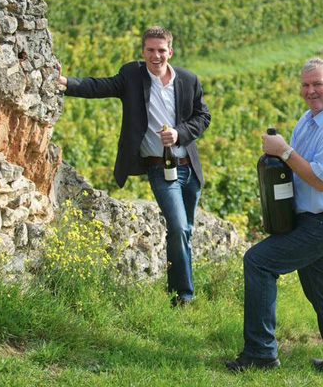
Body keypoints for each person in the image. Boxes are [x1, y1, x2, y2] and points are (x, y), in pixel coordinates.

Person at [225, 57, 323, 376]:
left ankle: (260, 353)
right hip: (311, 220)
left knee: (258, 261)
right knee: (322, 291)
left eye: (317, 84)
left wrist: (283, 151)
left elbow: (321, 179)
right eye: (305, 85)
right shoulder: (307, 119)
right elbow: (293, 170)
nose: (310, 90)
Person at [56, 26, 211, 307]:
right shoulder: (131, 75)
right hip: (159, 168)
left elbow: (203, 116)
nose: (156, 55)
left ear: (170, 52)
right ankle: (184, 296)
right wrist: (65, 82)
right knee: (177, 227)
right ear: (143, 52)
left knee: (185, 230)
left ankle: (177, 290)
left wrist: (179, 133)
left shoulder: (188, 80)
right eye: (150, 50)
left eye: (161, 50)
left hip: (189, 167)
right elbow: (100, 86)